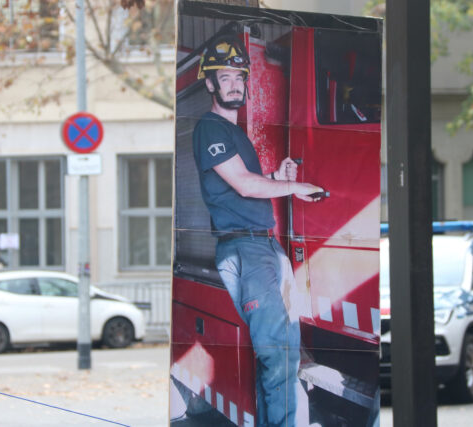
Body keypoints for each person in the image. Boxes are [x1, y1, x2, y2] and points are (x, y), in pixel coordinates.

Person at [193, 35, 323, 426]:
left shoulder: (234, 133)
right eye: (225, 78)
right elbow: (244, 186)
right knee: (277, 353)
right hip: (248, 252)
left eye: (239, 77)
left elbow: (246, 184)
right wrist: (295, 187)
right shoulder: (210, 128)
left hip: (262, 248)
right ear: (210, 84)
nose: (234, 85)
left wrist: (276, 178)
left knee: (283, 351)